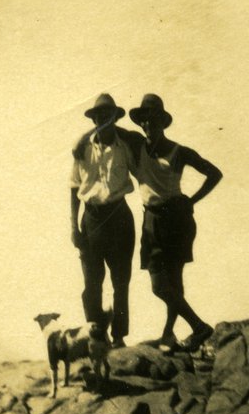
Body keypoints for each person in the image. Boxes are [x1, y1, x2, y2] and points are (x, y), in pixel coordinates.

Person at [128, 94, 222, 352]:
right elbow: (108, 126)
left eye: (153, 120)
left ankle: (189, 329)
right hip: (151, 220)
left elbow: (215, 173)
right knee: (163, 285)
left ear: (162, 122)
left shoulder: (179, 152)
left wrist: (192, 200)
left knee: (170, 284)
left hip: (177, 221)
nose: (148, 125)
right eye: (144, 120)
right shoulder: (137, 146)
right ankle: (176, 332)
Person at [70, 94, 144, 348]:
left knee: (121, 282)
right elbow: (74, 187)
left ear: (115, 118)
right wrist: (73, 227)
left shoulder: (126, 147)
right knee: (91, 283)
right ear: (93, 120)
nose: (102, 120)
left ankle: (119, 336)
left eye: (107, 116)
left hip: (120, 217)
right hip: (91, 220)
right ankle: (97, 335)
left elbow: (144, 176)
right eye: (98, 116)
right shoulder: (82, 149)